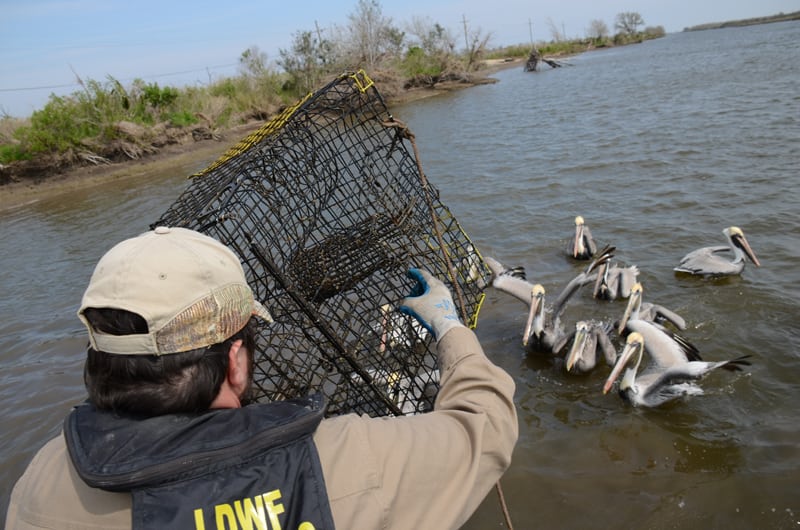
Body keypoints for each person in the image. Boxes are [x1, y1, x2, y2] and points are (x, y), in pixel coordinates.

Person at [6, 226, 517, 529]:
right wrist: (451, 327)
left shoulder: (46, 486)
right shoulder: (341, 460)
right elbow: (487, 425)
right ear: (234, 361)